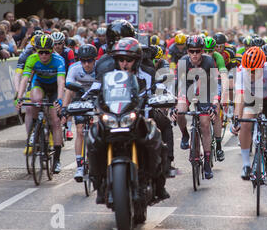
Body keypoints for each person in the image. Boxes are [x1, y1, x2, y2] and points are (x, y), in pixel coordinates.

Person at [88, 37, 170, 204]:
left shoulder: (147, 74)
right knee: (93, 137)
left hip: (139, 118)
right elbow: (94, 90)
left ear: (137, 60)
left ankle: (159, 183)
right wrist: (83, 101)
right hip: (112, 118)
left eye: (129, 60)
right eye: (121, 59)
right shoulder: (107, 74)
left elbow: (158, 89)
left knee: (156, 138)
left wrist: (163, 97)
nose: (124, 63)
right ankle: (98, 181)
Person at [231, 47, 267, 187]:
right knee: (244, 124)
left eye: (255, 70)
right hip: (252, 99)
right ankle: (246, 165)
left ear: (262, 66)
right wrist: (236, 119)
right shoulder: (241, 71)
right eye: (249, 70)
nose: (251, 74)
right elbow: (240, 97)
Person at [15, 34, 65, 173]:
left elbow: (61, 82)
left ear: (52, 51)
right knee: (35, 100)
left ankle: (57, 160)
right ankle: (35, 128)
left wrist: (59, 99)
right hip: (40, 85)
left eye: (46, 52)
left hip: (54, 87)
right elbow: (24, 80)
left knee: (55, 121)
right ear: (36, 50)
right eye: (40, 52)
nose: (43, 55)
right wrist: (19, 97)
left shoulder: (58, 60)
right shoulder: (32, 59)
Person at [170, 35, 218, 180]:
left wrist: (213, 105)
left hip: (205, 90)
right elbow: (176, 85)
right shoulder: (183, 62)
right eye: (191, 51)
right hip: (187, 88)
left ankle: (208, 162)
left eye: (198, 51)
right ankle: (185, 134)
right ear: (188, 51)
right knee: (180, 111)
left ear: (202, 51)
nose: (195, 54)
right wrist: (173, 105)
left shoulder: (209, 61)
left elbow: (216, 86)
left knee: (204, 124)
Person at [61, 44, 97, 182]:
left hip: (96, 98)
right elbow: (69, 87)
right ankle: (80, 167)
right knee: (80, 131)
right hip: (80, 97)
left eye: (89, 61)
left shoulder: (100, 68)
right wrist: (65, 109)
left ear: (95, 60)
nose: (86, 64)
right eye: (83, 61)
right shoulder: (74, 68)